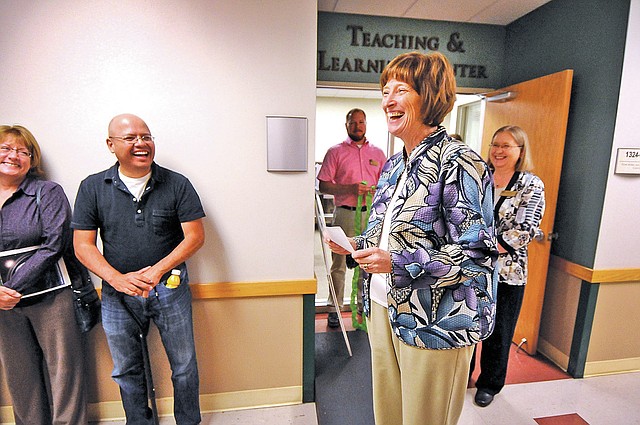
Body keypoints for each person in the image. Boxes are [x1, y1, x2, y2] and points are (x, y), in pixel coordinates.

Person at [326, 51, 497, 425]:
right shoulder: (394, 165)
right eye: (385, 91)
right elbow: (383, 234)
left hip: (436, 320)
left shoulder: (460, 162)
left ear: (430, 96)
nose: (388, 100)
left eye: (400, 90)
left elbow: (475, 254)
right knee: (388, 416)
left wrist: (398, 263)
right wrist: (354, 246)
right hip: (384, 308)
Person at [72, 114, 205, 424]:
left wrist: (156, 271)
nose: (141, 143)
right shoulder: (92, 187)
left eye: (146, 137)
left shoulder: (177, 183)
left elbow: (195, 237)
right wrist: (116, 279)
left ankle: (188, 421)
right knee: (126, 369)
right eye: (130, 138)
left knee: (184, 366)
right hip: (117, 294)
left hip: (169, 287)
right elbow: (83, 245)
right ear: (111, 144)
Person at [0, 125, 88, 424]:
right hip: (2, 304)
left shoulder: (47, 192)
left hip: (51, 297)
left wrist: (11, 289)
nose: (14, 156)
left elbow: (56, 244)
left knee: (64, 371)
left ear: (31, 159)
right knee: (19, 375)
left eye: (23, 151)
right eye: (6, 148)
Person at [472, 125, 545, 407]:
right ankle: (461, 374)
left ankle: (489, 384)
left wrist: (483, 246)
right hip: (472, 269)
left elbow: (525, 230)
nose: (499, 151)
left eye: (506, 146)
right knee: (467, 323)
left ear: (520, 151)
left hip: (507, 273)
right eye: (495, 144)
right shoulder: (479, 178)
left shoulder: (530, 184)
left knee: (499, 331)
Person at [317, 108, 387, 327]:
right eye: (353, 122)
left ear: (366, 124)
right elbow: (323, 184)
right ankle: (334, 308)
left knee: (367, 263)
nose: (357, 126)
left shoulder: (378, 154)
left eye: (361, 122)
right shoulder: (335, 152)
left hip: (371, 217)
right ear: (346, 125)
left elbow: (387, 184)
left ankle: (363, 306)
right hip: (345, 214)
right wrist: (350, 188)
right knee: (338, 265)